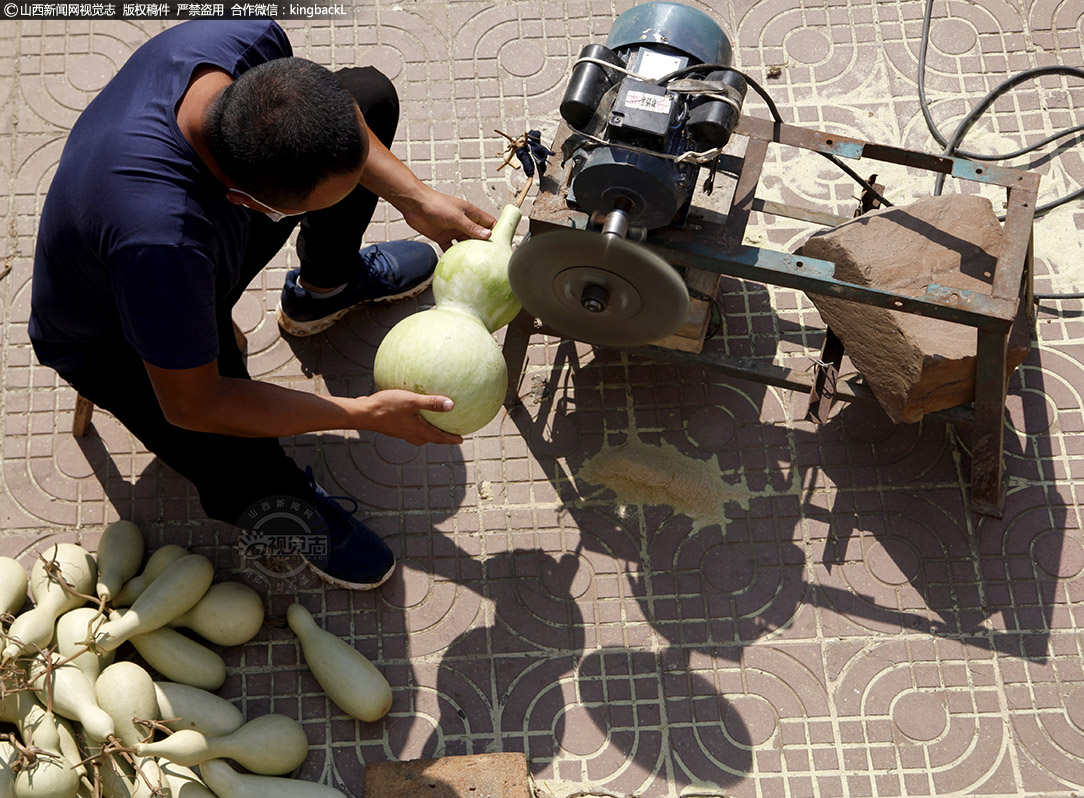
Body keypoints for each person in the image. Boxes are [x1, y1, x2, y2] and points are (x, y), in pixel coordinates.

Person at [28, 20, 497, 591]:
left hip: (183, 254)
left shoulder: (241, 41)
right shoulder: (162, 243)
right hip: (113, 336)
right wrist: (358, 415)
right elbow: (196, 403)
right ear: (245, 201)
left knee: (370, 93)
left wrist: (416, 198)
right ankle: (287, 509)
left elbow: (341, 109)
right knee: (232, 443)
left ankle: (326, 288)